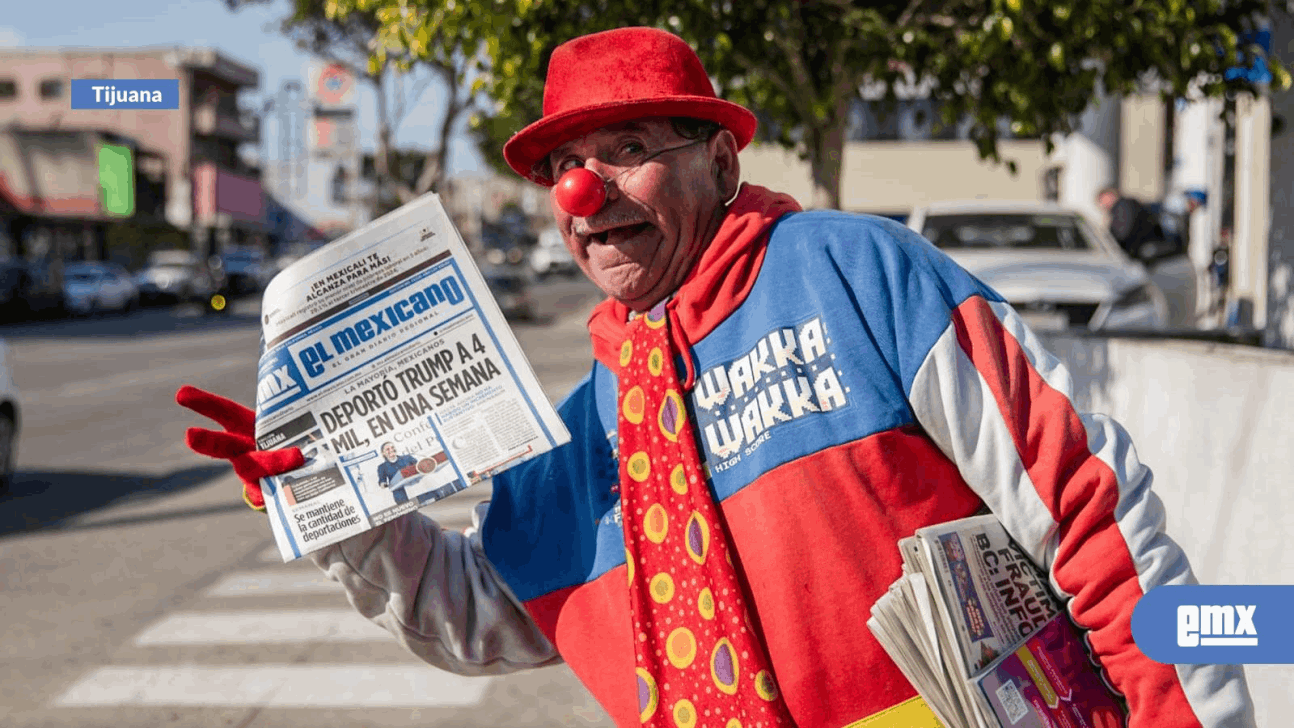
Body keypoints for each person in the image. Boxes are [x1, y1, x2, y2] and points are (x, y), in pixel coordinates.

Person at [179, 27, 1252, 728]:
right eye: (561, 168)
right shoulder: (580, 435)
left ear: (721, 164)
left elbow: (1090, 511)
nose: (581, 197)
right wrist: (336, 504)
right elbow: (480, 615)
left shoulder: (851, 272)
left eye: (628, 148)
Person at [1096, 186, 1167, 261]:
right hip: (1144, 247)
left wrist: (1110, 245)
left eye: (1101, 200)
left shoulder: (1123, 207)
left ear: (1110, 196)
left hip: (1141, 250)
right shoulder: (1124, 206)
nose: (1101, 205)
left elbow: (1122, 233)